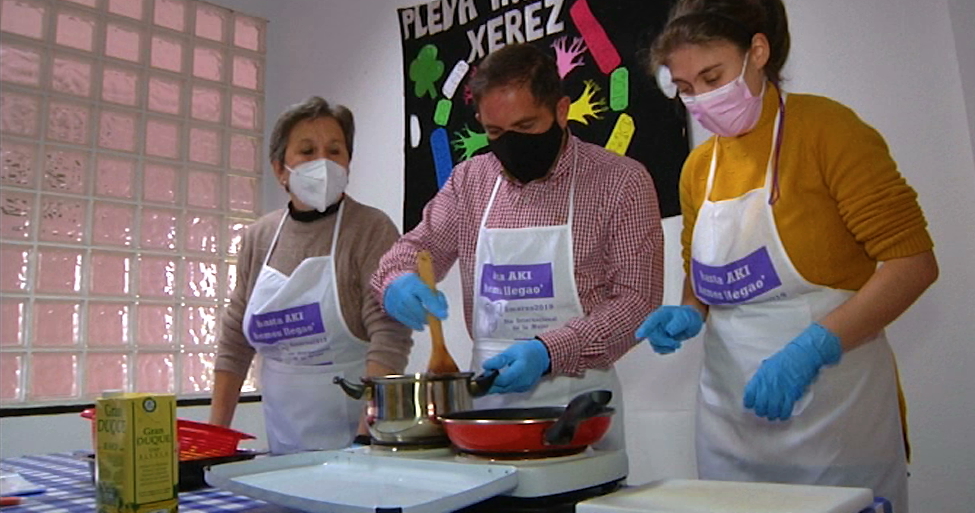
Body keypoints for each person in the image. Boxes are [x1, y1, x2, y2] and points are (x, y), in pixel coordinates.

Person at [636, 0, 938, 511]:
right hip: (730, 422)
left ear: (757, 52)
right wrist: (688, 312)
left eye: (713, 77)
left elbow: (913, 263)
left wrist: (811, 349)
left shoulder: (828, 130)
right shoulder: (697, 168)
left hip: (835, 412)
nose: (701, 99)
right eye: (685, 87)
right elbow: (700, 273)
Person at [370, 43, 664, 449]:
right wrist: (396, 281)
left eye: (526, 128)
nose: (510, 143)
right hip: (485, 405)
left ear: (561, 111)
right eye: (495, 132)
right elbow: (413, 248)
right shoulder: (469, 181)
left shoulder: (620, 181)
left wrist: (548, 351)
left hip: (578, 404)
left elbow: (638, 302)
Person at [210, 96, 413, 454]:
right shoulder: (260, 237)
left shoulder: (369, 228)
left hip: (356, 435)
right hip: (282, 436)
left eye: (335, 150)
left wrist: (367, 429)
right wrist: (214, 436)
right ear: (280, 169)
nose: (323, 162)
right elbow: (234, 341)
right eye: (307, 151)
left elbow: (389, 335)